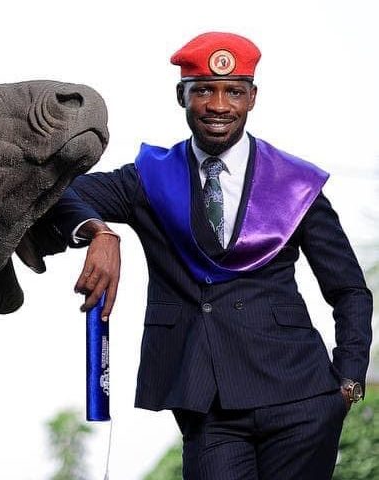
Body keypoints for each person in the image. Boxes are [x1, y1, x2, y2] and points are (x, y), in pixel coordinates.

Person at [47, 32, 373, 479]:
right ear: (182, 96)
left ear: (252, 98)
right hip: (209, 404)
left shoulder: (295, 184)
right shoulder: (150, 177)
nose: (219, 104)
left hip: (301, 395)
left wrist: (349, 382)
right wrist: (100, 232)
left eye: (233, 91)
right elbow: (59, 191)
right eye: (203, 90)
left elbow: (349, 289)